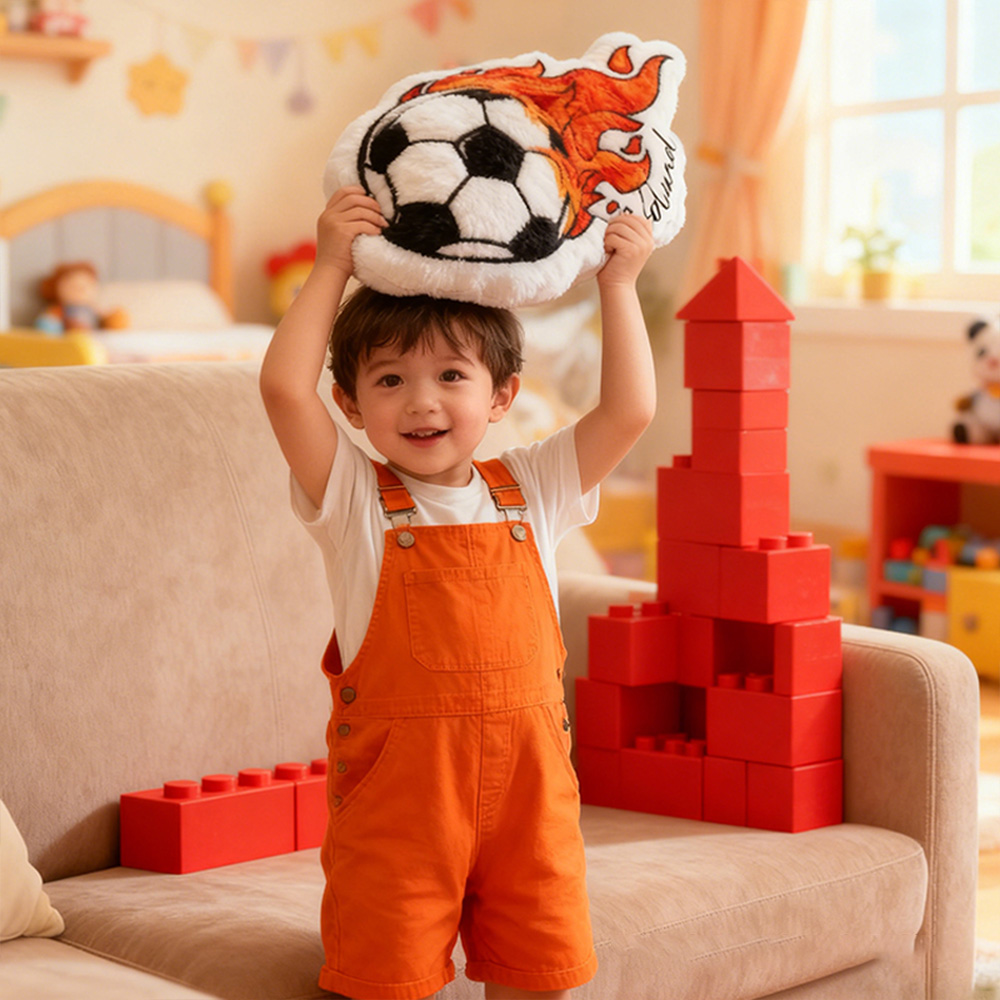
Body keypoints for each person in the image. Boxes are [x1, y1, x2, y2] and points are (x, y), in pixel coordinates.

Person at [259, 185, 655, 1000]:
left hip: (532, 807)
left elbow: (631, 408)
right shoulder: (353, 499)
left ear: (501, 395)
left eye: (451, 374)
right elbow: (283, 391)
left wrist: (619, 288)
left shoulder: (536, 486)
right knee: (384, 985)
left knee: (538, 979)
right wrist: (332, 262)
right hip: (400, 815)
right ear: (353, 405)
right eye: (391, 380)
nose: (423, 400)